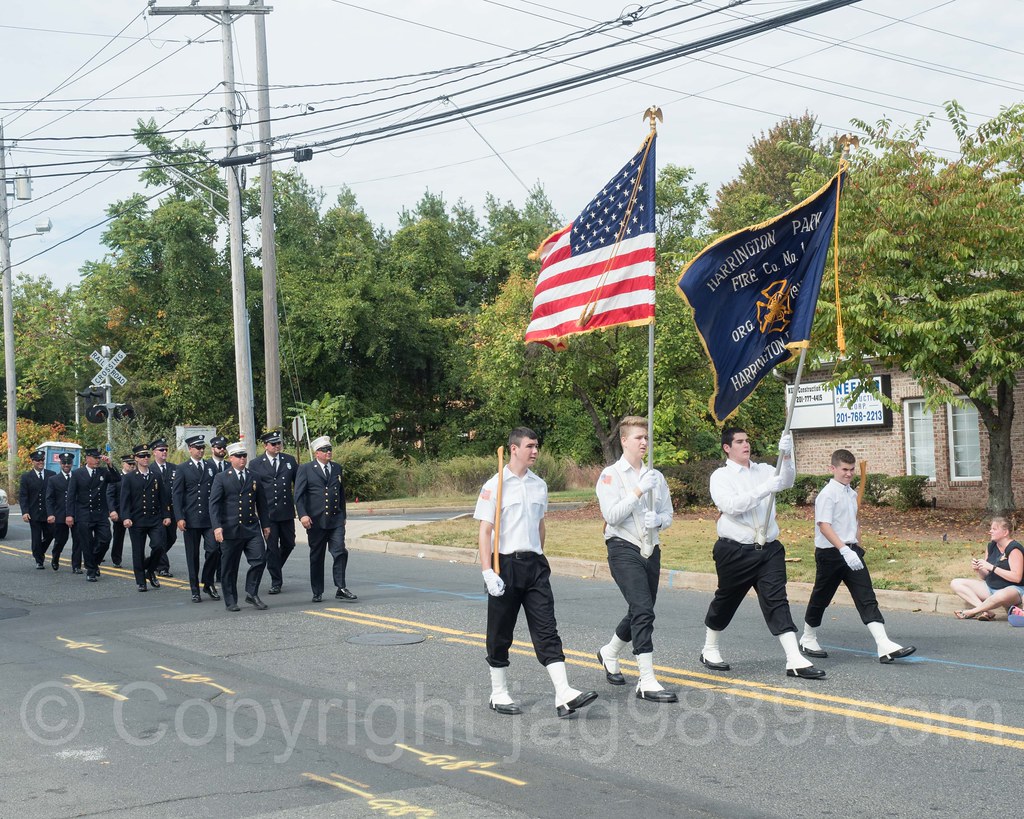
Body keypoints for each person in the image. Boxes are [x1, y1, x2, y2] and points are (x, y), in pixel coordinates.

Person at [475, 427, 598, 718]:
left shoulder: (539, 485)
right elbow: (485, 531)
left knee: (546, 628)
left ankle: (563, 693)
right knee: (500, 631)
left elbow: (540, 525)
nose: (535, 451)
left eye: (536, 446)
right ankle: (498, 692)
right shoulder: (494, 485)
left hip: (535, 566)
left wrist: (538, 555)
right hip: (504, 566)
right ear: (514, 449)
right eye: (529, 446)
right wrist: (487, 572)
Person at [700, 427, 825, 679]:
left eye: (747, 440)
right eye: (739, 441)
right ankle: (710, 648)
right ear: (727, 448)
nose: (746, 444)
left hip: (768, 550)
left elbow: (787, 480)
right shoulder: (721, 476)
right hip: (734, 550)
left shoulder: (765, 470)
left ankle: (794, 659)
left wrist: (786, 456)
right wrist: (765, 488)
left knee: (777, 600)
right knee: (726, 599)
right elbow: (731, 506)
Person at [799, 449, 916, 664]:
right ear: (832, 468)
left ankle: (883, 644)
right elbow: (824, 526)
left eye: (852, 469)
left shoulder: (851, 493)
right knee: (822, 597)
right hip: (830, 554)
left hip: (851, 552)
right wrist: (843, 549)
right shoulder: (827, 494)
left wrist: (857, 548)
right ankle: (808, 637)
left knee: (866, 596)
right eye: (844, 469)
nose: (849, 473)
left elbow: (854, 522)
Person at [594, 417, 677, 703]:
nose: (644, 442)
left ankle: (609, 652)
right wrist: (638, 490)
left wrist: (660, 521)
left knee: (641, 608)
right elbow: (612, 516)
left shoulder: (656, 476)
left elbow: (668, 514)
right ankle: (647, 680)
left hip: (651, 547)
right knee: (643, 610)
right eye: (638, 437)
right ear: (624, 440)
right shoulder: (610, 475)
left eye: (646, 437)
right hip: (622, 546)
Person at [210, 441, 270, 612]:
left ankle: (252, 592)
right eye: (238, 456)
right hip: (230, 528)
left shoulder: (254, 476)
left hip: (251, 527)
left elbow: (262, 503)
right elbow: (214, 505)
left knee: (260, 559)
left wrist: (266, 525)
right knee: (229, 567)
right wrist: (217, 527)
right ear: (231, 458)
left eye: (244, 456)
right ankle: (230, 600)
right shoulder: (221, 477)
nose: (242, 459)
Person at [295, 436, 354, 603]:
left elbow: (341, 493)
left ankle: (341, 587)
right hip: (315, 520)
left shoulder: (336, 468)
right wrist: (303, 515)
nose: (329, 452)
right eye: (325, 450)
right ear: (317, 453)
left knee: (340, 551)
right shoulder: (306, 469)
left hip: (335, 519)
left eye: (330, 449)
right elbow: (298, 495)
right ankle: (317, 591)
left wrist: (343, 515)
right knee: (317, 556)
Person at [171, 435, 220, 602]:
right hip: (191, 518)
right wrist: (179, 517)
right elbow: (177, 495)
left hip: (208, 518)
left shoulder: (210, 466)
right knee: (192, 556)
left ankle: (207, 582)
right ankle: (194, 589)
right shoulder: (182, 468)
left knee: (213, 550)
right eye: (197, 448)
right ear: (190, 449)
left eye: (202, 447)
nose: (200, 450)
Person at [249, 430, 298, 595]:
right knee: (272, 548)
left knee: (289, 544)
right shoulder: (256, 464)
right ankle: (276, 581)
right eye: (273, 444)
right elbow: (253, 489)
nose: (277, 446)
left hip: (286, 511)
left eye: (279, 443)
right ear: (265, 446)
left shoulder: (289, 460)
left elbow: (298, 483)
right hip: (268, 513)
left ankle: (274, 565)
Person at [951, 517, 1024, 621]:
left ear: (1005, 532)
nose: (990, 531)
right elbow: (985, 576)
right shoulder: (991, 546)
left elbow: (1016, 577)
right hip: (991, 587)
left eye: (994, 529)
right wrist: (979, 569)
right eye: (991, 528)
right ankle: (986, 611)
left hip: (1013, 590)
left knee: (1000, 595)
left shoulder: (1014, 549)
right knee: (955, 583)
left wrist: (992, 567)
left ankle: (972, 612)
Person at [120, 445, 170, 592]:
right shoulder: (129, 477)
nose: (145, 458)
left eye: (147, 456)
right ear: (136, 459)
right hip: (137, 519)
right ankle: (141, 581)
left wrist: (166, 515)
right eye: (142, 456)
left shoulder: (156, 475)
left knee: (159, 546)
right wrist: (126, 517)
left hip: (154, 518)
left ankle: (150, 570)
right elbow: (124, 500)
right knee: (138, 551)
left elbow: (163, 497)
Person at [66, 448, 121, 582]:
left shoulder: (103, 472)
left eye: (98, 458)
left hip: (100, 513)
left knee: (105, 539)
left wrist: (110, 465)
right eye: (95, 458)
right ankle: (91, 571)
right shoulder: (77, 473)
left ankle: (93, 562)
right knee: (87, 543)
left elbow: (116, 478)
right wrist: (69, 515)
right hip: (84, 513)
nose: (97, 461)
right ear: (87, 458)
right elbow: (71, 496)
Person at [20, 449, 53, 569]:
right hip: (34, 513)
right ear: (32, 461)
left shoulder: (51, 474)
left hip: (48, 512)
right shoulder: (26, 477)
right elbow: (23, 496)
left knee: (51, 534)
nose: (40, 462)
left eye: (42, 460)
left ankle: (40, 551)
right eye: (38, 460)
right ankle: (39, 560)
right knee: (36, 537)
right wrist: (25, 512)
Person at [150, 438, 177, 577]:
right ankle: (162, 567)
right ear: (154, 452)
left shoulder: (174, 468)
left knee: (171, 537)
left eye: (166, 449)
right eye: (161, 450)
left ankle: (153, 560)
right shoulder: (149, 469)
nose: (164, 452)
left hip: (172, 509)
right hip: (158, 510)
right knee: (160, 539)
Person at [46, 453, 76, 571]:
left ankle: (76, 565)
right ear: (60, 463)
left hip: (75, 513)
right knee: (61, 540)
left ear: (72, 464)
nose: (66, 465)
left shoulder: (77, 477)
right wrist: (50, 514)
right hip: (60, 514)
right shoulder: (53, 479)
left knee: (78, 540)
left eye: (69, 463)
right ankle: (55, 556)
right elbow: (49, 498)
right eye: (64, 463)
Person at [107, 454, 135, 568]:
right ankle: (116, 559)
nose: (132, 466)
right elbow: (110, 495)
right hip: (119, 512)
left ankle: (140, 559)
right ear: (123, 464)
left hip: (134, 513)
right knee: (118, 537)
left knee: (137, 538)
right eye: (129, 464)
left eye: (133, 464)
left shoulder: (136, 477)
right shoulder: (116, 477)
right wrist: (112, 510)